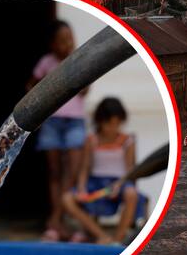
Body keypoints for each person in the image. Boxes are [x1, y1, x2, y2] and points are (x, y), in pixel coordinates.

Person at [28, 21, 88, 242]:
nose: (67, 43)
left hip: (74, 122)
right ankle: (58, 225)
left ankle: (56, 219)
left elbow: (85, 90)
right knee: (54, 172)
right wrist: (36, 112)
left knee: (70, 172)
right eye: (62, 40)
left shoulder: (80, 61)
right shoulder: (46, 63)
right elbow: (30, 86)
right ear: (52, 43)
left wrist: (76, 69)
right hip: (52, 122)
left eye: (69, 38)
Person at [60, 97, 146, 245]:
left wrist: (119, 185)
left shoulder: (128, 140)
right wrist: (81, 188)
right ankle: (101, 235)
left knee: (131, 194)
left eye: (117, 123)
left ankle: (118, 239)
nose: (113, 128)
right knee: (67, 199)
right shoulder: (91, 139)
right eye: (109, 124)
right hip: (95, 183)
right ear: (100, 121)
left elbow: (131, 170)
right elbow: (85, 167)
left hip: (119, 183)